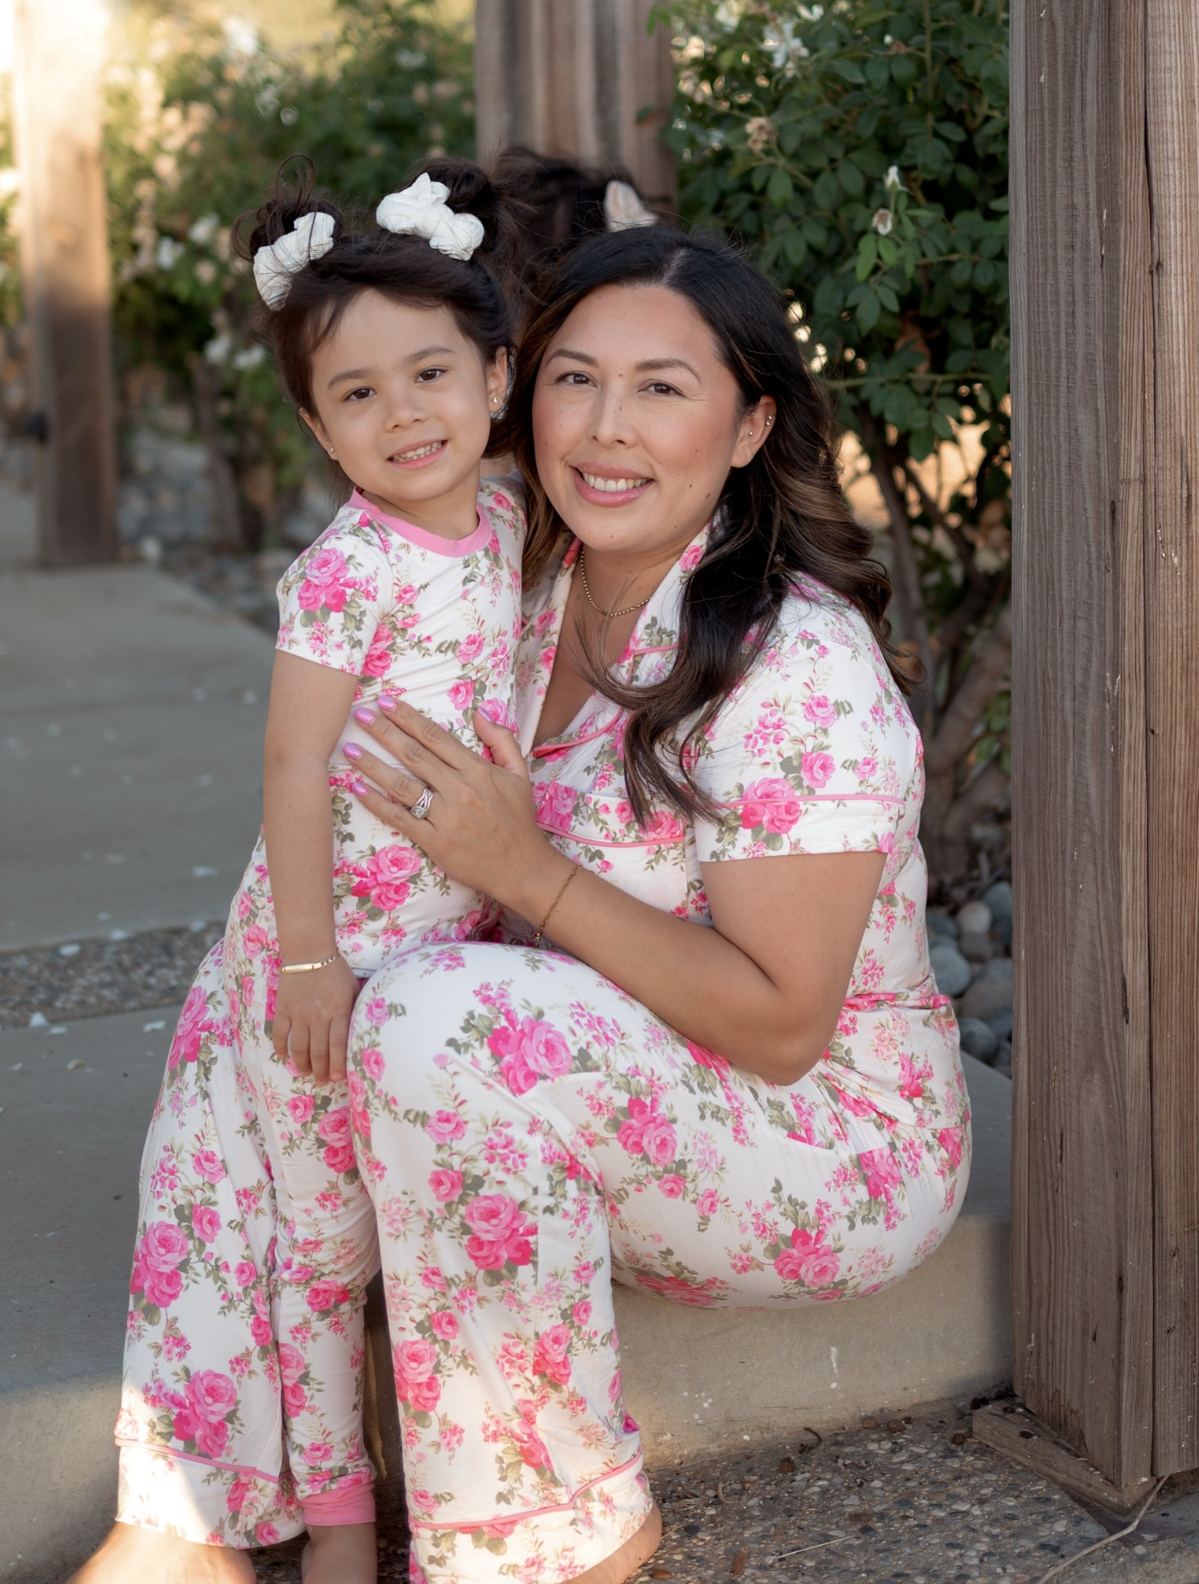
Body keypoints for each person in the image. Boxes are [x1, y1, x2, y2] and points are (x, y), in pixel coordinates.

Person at [75, 223, 969, 1584]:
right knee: (249, 1013)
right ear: (519, 389)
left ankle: (553, 1535)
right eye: (576, 379)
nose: (608, 429)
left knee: (438, 1019)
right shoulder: (516, 565)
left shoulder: (796, 664)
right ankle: (188, 1505)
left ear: (749, 427)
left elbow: (787, 1030)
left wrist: (525, 870)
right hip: (578, 1070)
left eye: (664, 389)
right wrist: (295, 958)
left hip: (813, 1136)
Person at [78, 158, 525, 1584]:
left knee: (413, 1224)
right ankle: (338, 1526)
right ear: (319, 429)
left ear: (498, 382)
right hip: (328, 964)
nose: (404, 414)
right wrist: (311, 963)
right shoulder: (346, 573)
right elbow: (291, 771)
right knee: (325, 1250)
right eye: (357, 393)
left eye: (431, 373)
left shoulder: (514, 524)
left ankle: (452, 1491)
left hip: (451, 955)